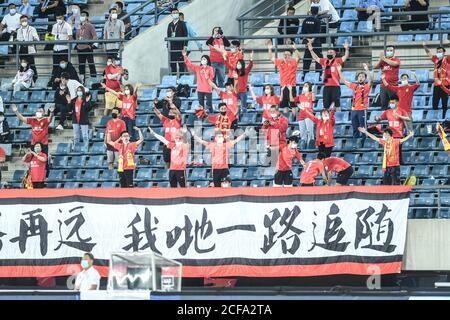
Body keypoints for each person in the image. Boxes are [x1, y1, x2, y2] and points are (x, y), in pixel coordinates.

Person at [307, 39, 349, 110]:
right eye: (328, 52)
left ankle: (337, 118)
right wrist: (311, 50)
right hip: (326, 86)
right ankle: (327, 120)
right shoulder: (324, 61)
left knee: (337, 104)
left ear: (334, 54)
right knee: (326, 105)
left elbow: (345, 57)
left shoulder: (337, 60)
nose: (329, 53)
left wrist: (347, 49)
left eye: (331, 52)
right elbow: (316, 58)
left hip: (335, 86)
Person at [338, 63, 372, 145]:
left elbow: (371, 79)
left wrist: (367, 69)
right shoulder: (354, 86)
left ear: (365, 78)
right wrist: (339, 71)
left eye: (363, 77)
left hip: (362, 110)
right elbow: (344, 81)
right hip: (354, 110)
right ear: (357, 78)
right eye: (360, 76)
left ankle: (364, 142)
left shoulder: (367, 86)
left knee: (363, 127)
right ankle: (355, 143)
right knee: (355, 127)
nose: (361, 78)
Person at [374, 95, 410, 164]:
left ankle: (399, 165)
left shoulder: (402, 111)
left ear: (397, 102)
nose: (391, 104)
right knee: (389, 151)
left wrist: (399, 116)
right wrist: (376, 118)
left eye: (393, 102)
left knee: (398, 151)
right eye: (390, 102)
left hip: (399, 135)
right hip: (390, 135)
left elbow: (408, 119)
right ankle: (389, 163)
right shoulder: (387, 111)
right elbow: (379, 119)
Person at [267, 40, 300, 110]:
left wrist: (295, 49)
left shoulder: (294, 61)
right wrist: (269, 48)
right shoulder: (280, 61)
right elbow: (271, 58)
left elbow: (299, 57)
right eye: (285, 54)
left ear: (291, 56)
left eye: (288, 55)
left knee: (293, 106)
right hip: (283, 86)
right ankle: (286, 119)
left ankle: (296, 120)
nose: (286, 56)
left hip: (291, 86)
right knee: (284, 106)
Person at [423, 43, 450, 119]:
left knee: (444, 105)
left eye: (440, 51)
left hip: (445, 85)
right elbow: (428, 53)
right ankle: (436, 120)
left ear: (444, 52)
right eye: (438, 51)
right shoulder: (435, 59)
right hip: (436, 86)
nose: (439, 53)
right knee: (434, 105)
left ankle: (444, 120)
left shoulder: (447, 59)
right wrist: (425, 46)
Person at [153, 101, 181, 166]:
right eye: (170, 111)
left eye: (172, 112)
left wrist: (174, 107)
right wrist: (154, 108)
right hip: (166, 145)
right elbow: (159, 114)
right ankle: (167, 174)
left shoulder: (177, 120)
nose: (171, 112)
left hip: (175, 145)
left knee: (175, 162)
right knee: (167, 162)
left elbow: (179, 114)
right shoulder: (166, 120)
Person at [374, 45, 401, 110]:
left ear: (394, 52)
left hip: (393, 86)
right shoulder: (383, 61)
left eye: (391, 50)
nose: (389, 52)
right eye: (388, 50)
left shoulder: (396, 59)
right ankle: (385, 119)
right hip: (383, 86)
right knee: (384, 105)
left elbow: (395, 64)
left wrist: (384, 59)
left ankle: (394, 119)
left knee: (394, 106)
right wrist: (380, 59)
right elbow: (375, 67)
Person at [290, 82, 316, 149]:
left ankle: (310, 148)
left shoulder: (311, 94)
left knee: (310, 132)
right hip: (301, 116)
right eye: (304, 86)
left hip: (309, 115)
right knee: (302, 134)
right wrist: (290, 90)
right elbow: (292, 100)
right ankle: (303, 148)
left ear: (309, 87)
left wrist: (312, 91)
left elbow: (313, 100)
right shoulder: (300, 96)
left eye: (306, 86)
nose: (305, 87)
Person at [76, 10, 97, 83]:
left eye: (84, 15)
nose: (82, 16)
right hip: (80, 48)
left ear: (87, 17)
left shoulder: (90, 25)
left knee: (91, 64)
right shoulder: (79, 26)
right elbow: (77, 37)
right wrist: (77, 44)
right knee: (81, 66)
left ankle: (94, 81)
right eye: (81, 15)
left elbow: (94, 36)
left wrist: (90, 44)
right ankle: (82, 81)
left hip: (87, 48)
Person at [16, 15, 39, 81]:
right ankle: (23, 79)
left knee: (31, 64)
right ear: (20, 22)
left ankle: (34, 78)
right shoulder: (19, 30)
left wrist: (33, 40)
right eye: (22, 21)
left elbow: (36, 38)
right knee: (23, 64)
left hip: (29, 47)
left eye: (25, 20)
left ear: (27, 21)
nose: (24, 22)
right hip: (22, 48)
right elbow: (18, 39)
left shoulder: (32, 29)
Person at [302, 5, 323, 73]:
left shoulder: (305, 20)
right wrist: (312, 39)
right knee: (318, 58)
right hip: (316, 42)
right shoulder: (318, 21)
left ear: (310, 12)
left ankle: (305, 75)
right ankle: (318, 75)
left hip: (307, 42)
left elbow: (303, 31)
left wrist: (308, 40)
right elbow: (318, 32)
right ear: (317, 13)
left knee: (307, 60)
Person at [166, 7, 187, 74]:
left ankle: (181, 80)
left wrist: (185, 45)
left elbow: (186, 35)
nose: (175, 14)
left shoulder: (182, 23)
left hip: (180, 47)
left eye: (176, 13)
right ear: (171, 15)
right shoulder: (170, 24)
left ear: (178, 14)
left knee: (181, 64)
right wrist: (168, 46)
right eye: (173, 13)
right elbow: (168, 35)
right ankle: (174, 79)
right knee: (173, 64)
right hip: (172, 47)